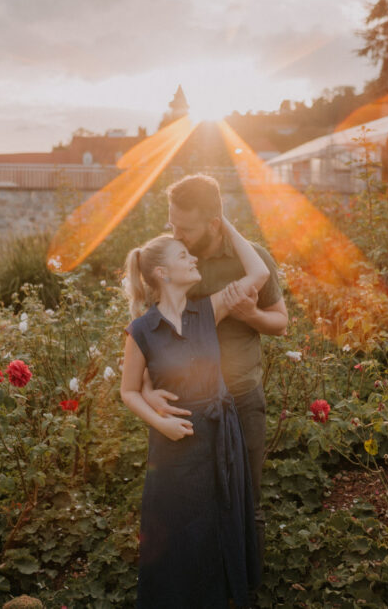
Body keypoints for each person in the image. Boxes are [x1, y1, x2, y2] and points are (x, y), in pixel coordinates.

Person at [120, 217, 269, 608]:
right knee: (180, 531)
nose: (193, 259)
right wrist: (161, 423)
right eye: (183, 256)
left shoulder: (210, 310)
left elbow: (259, 271)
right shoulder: (141, 330)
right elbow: (129, 390)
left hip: (223, 436)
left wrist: (223, 223)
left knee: (223, 521)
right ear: (161, 273)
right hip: (174, 444)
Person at [144, 174, 288, 577]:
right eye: (171, 224)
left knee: (246, 500)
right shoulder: (171, 260)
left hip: (241, 399)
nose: (175, 234)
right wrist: (147, 391)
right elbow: (146, 332)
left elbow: (281, 323)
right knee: (193, 503)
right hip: (190, 402)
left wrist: (252, 316)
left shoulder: (249, 257)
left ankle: (246, 590)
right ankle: (203, 586)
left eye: (184, 227)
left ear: (213, 223)